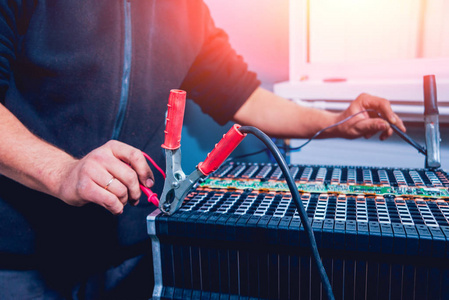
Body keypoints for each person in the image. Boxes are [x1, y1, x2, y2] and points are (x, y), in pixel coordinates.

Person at [0, 1, 405, 299]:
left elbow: (242, 98)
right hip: (22, 259)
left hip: (131, 250)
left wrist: (336, 123)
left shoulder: (186, 9)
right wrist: (63, 172)